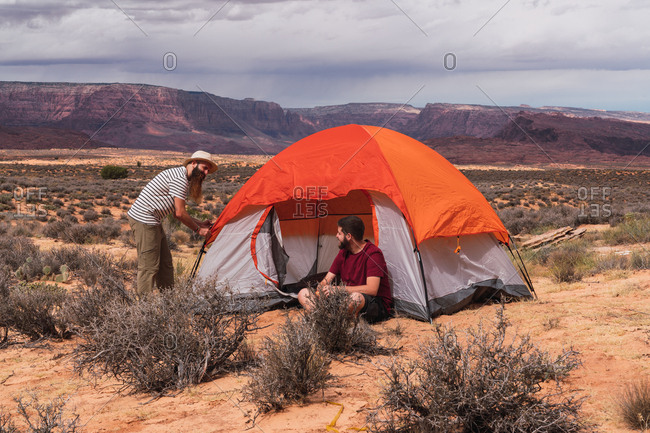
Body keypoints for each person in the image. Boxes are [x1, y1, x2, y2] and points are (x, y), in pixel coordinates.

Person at [127, 150, 217, 295]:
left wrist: (200, 223)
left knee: (165, 265)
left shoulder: (184, 178)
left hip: (153, 220)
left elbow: (177, 212)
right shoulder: (180, 179)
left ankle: (169, 304)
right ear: (193, 163)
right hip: (144, 219)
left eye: (208, 170)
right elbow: (180, 213)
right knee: (149, 266)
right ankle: (144, 311)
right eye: (204, 168)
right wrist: (199, 230)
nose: (206, 173)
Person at [298, 215, 392, 323]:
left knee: (355, 298)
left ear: (348, 236)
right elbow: (327, 279)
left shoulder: (373, 254)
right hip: (345, 298)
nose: (336, 236)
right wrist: (321, 289)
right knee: (303, 293)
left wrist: (337, 289)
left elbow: (372, 289)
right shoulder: (343, 253)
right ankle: (324, 319)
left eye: (339, 233)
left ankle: (333, 320)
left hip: (373, 304)